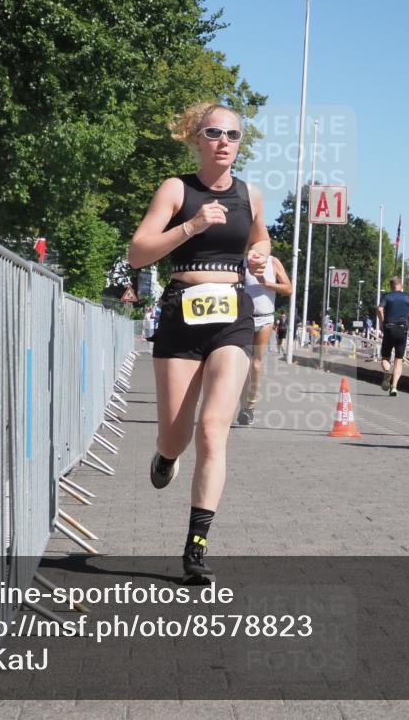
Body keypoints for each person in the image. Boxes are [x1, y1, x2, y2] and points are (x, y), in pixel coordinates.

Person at [127, 102, 270, 583]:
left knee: (213, 430)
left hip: (232, 316)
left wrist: (258, 256)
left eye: (233, 134)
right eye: (214, 133)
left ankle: (196, 547)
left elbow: (261, 240)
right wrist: (191, 226)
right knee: (177, 435)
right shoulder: (177, 189)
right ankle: (166, 455)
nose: (224, 141)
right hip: (181, 314)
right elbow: (138, 252)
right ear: (196, 138)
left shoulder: (251, 194)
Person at [237, 254, 291, 426]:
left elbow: (288, 289)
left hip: (265, 318)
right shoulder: (240, 261)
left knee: (256, 364)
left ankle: (250, 406)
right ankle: (243, 407)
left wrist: (267, 283)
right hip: (243, 318)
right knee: (243, 364)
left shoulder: (273, 262)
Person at [376, 277, 409, 396]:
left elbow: (379, 309)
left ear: (391, 286)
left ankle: (387, 371)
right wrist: (407, 319)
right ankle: (394, 387)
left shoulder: (387, 296)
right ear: (401, 285)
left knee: (385, 358)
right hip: (402, 330)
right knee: (398, 360)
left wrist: (382, 323)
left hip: (389, 329)